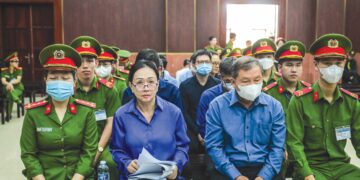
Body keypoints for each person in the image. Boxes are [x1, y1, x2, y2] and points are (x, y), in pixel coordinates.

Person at [286, 33, 360, 180]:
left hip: (341, 167)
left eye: (338, 63)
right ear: (316, 65)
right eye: (326, 63)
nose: (333, 68)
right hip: (311, 167)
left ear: (344, 63)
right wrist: (307, 174)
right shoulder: (300, 101)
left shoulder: (351, 103)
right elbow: (294, 143)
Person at [20, 44, 98, 180]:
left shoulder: (86, 111)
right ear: (45, 80)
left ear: (74, 81)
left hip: (79, 176)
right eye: (53, 78)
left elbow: (89, 152)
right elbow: (28, 154)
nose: (59, 83)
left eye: (65, 78)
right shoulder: (33, 113)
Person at [205, 57, 285, 180]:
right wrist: (236, 176)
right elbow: (214, 146)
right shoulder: (217, 106)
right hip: (229, 167)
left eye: (257, 80)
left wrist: (264, 176)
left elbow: (277, 147)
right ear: (233, 82)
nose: (252, 86)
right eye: (245, 81)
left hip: (264, 166)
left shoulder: (274, 106)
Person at [111, 60, 190, 180]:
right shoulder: (122, 115)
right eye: (140, 83)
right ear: (132, 87)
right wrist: (126, 163)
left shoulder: (174, 112)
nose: (146, 88)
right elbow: (117, 149)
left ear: (158, 85)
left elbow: (182, 146)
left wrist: (176, 167)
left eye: (151, 82)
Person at [70, 36, 121, 180]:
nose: (85, 65)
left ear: (96, 63)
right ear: (75, 64)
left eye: (90, 60)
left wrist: (98, 150)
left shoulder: (109, 90)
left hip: (101, 142)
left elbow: (111, 123)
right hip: (75, 143)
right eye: (81, 61)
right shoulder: (69, 91)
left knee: (110, 163)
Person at [263, 40, 311, 179]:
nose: (294, 70)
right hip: (277, 149)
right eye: (289, 65)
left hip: (304, 149)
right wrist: (282, 146)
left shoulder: (309, 92)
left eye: (298, 65)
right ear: (279, 68)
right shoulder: (268, 93)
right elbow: (266, 127)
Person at [179, 49, 220, 154]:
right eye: (200, 62)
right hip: (192, 128)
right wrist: (198, 132)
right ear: (193, 64)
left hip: (214, 127)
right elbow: (184, 112)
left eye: (207, 62)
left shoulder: (218, 85)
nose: (204, 64)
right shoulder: (185, 86)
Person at [1, 52, 24, 120]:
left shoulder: (19, 70)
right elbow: (3, 81)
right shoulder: (4, 71)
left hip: (18, 89)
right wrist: (8, 84)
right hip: (7, 88)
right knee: (10, 91)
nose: (18, 62)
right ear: (11, 62)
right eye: (16, 61)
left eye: (18, 61)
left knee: (10, 95)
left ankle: (8, 115)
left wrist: (10, 83)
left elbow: (18, 80)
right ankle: (18, 101)